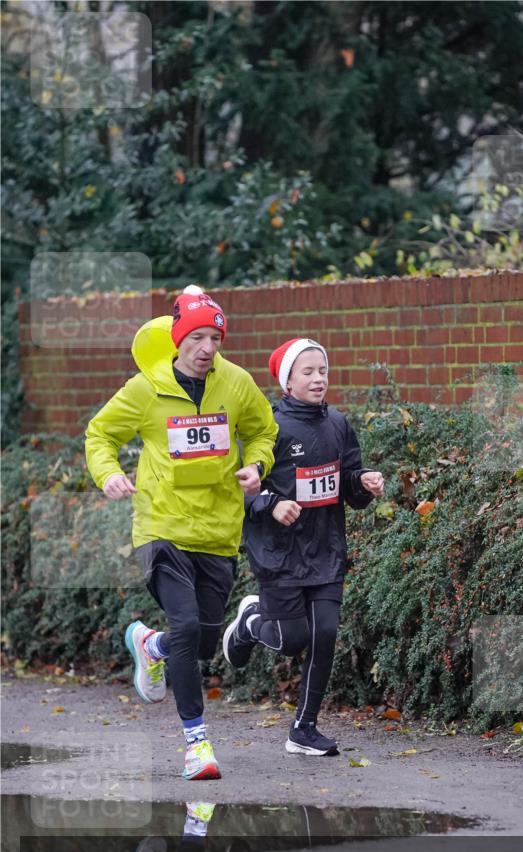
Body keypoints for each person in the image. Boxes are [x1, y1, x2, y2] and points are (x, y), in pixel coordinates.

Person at [85, 285, 278, 780]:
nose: (206, 348)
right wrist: (108, 473)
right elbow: (100, 433)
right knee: (189, 629)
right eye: (197, 337)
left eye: (215, 338)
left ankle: (152, 646)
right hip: (161, 527)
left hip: (217, 531)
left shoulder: (236, 383)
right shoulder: (145, 388)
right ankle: (197, 744)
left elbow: (263, 430)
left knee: (204, 644)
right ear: (177, 338)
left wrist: (257, 465)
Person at [222, 338, 384, 756]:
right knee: (292, 640)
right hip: (280, 555)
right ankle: (251, 622)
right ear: (287, 381)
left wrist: (363, 482)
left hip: (326, 550)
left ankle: (304, 729)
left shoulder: (338, 424)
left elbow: (347, 484)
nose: (318, 379)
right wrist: (272, 504)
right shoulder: (268, 428)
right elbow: (239, 491)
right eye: (307, 372)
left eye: (323, 371)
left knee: (325, 634)